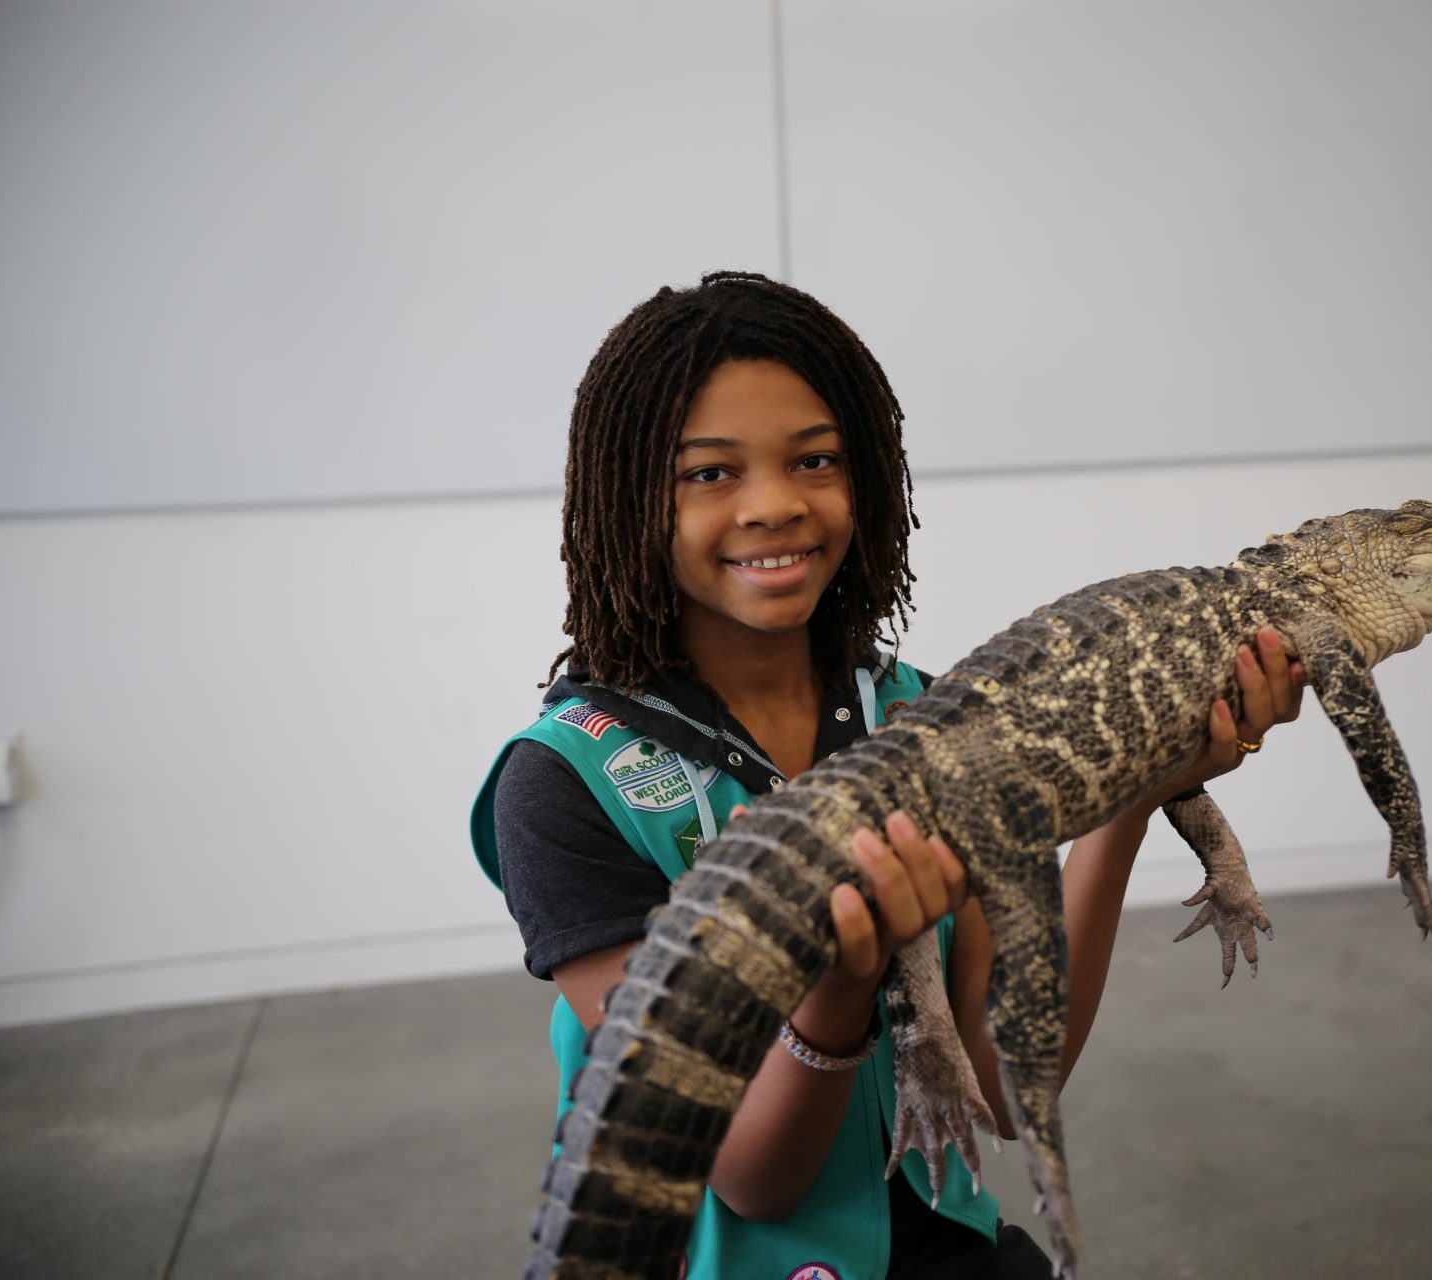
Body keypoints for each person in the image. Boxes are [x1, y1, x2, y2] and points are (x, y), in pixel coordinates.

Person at [469, 271, 1304, 1279]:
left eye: (815, 459)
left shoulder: (924, 710)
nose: (775, 503)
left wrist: (1135, 790)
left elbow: (1002, 1085)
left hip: (945, 1245)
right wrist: (842, 984)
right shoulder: (563, 786)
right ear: (624, 497)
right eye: (709, 472)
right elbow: (750, 1178)